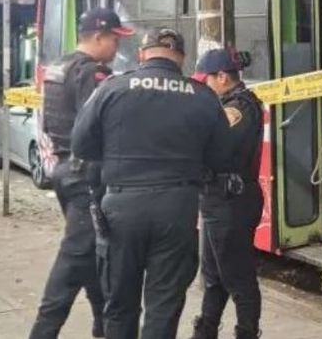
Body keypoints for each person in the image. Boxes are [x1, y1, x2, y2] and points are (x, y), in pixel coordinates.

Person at [71, 28, 234, 339]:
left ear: (142, 55)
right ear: (183, 59)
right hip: (177, 208)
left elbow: (81, 146)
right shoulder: (203, 96)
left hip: (121, 207)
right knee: (164, 305)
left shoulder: (112, 88)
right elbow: (222, 157)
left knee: (119, 304)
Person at [30, 7, 133, 339]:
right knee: (74, 259)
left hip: (62, 170)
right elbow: (100, 129)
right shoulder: (93, 74)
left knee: (93, 255)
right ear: (99, 36)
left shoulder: (60, 67)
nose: (117, 46)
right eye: (115, 39)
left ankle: (103, 327)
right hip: (86, 178)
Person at [189, 48, 264, 339]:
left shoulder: (239, 107)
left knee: (238, 277)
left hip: (232, 201)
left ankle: (246, 332)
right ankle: (205, 331)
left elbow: (219, 146)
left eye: (205, 80)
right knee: (213, 276)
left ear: (222, 77)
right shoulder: (226, 104)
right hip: (217, 199)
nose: (203, 86)